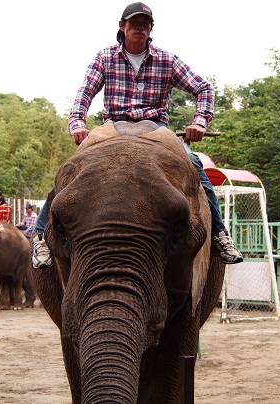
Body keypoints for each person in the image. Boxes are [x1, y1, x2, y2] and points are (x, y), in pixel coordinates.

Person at [32, 2, 243, 268]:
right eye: (135, 24)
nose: (140, 29)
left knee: (195, 164)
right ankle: (40, 234)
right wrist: (77, 125)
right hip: (112, 128)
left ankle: (220, 235)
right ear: (122, 27)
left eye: (146, 25)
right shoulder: (105, 57)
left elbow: (203, 88)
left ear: (151, 29)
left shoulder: (166, 59)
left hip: (156, 129)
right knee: (71, 169)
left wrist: (200, 122)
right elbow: (84, 94)